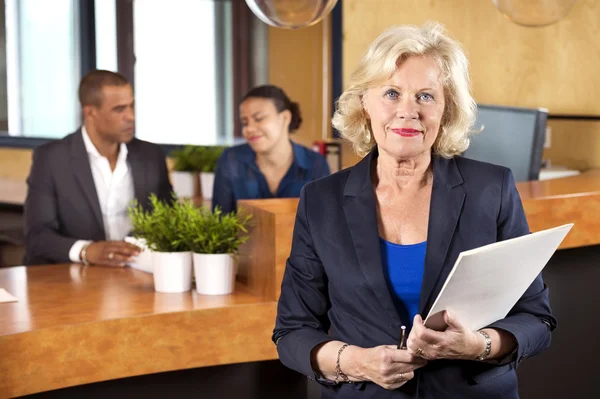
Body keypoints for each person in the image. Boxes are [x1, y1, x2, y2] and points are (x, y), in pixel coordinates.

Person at [273, 22, 556, 398]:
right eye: (391, 93)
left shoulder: (492, 189)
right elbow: (292, 330)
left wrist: (477, 345)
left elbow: (536, 319)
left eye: (426, 96)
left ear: (446, 108)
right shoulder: (320, 200)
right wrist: (356, 362)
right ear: (364, 103)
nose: (408, 112)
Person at [23, 70, 173, 266]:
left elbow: (169, 220)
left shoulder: (151, 156)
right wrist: (87, 250)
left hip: (135, 276)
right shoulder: (51, 159)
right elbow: (38, 237)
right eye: (119, 109)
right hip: (72, 278)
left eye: (131, 106)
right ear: (90, 112)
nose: (131, 117)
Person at [212, 85, 330, 214]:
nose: (249, 129)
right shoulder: (231, 160)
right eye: (245, 123)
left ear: (285, 118)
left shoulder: (315, 164)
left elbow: (324, 225)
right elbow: (221, 225)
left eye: (259, 119)